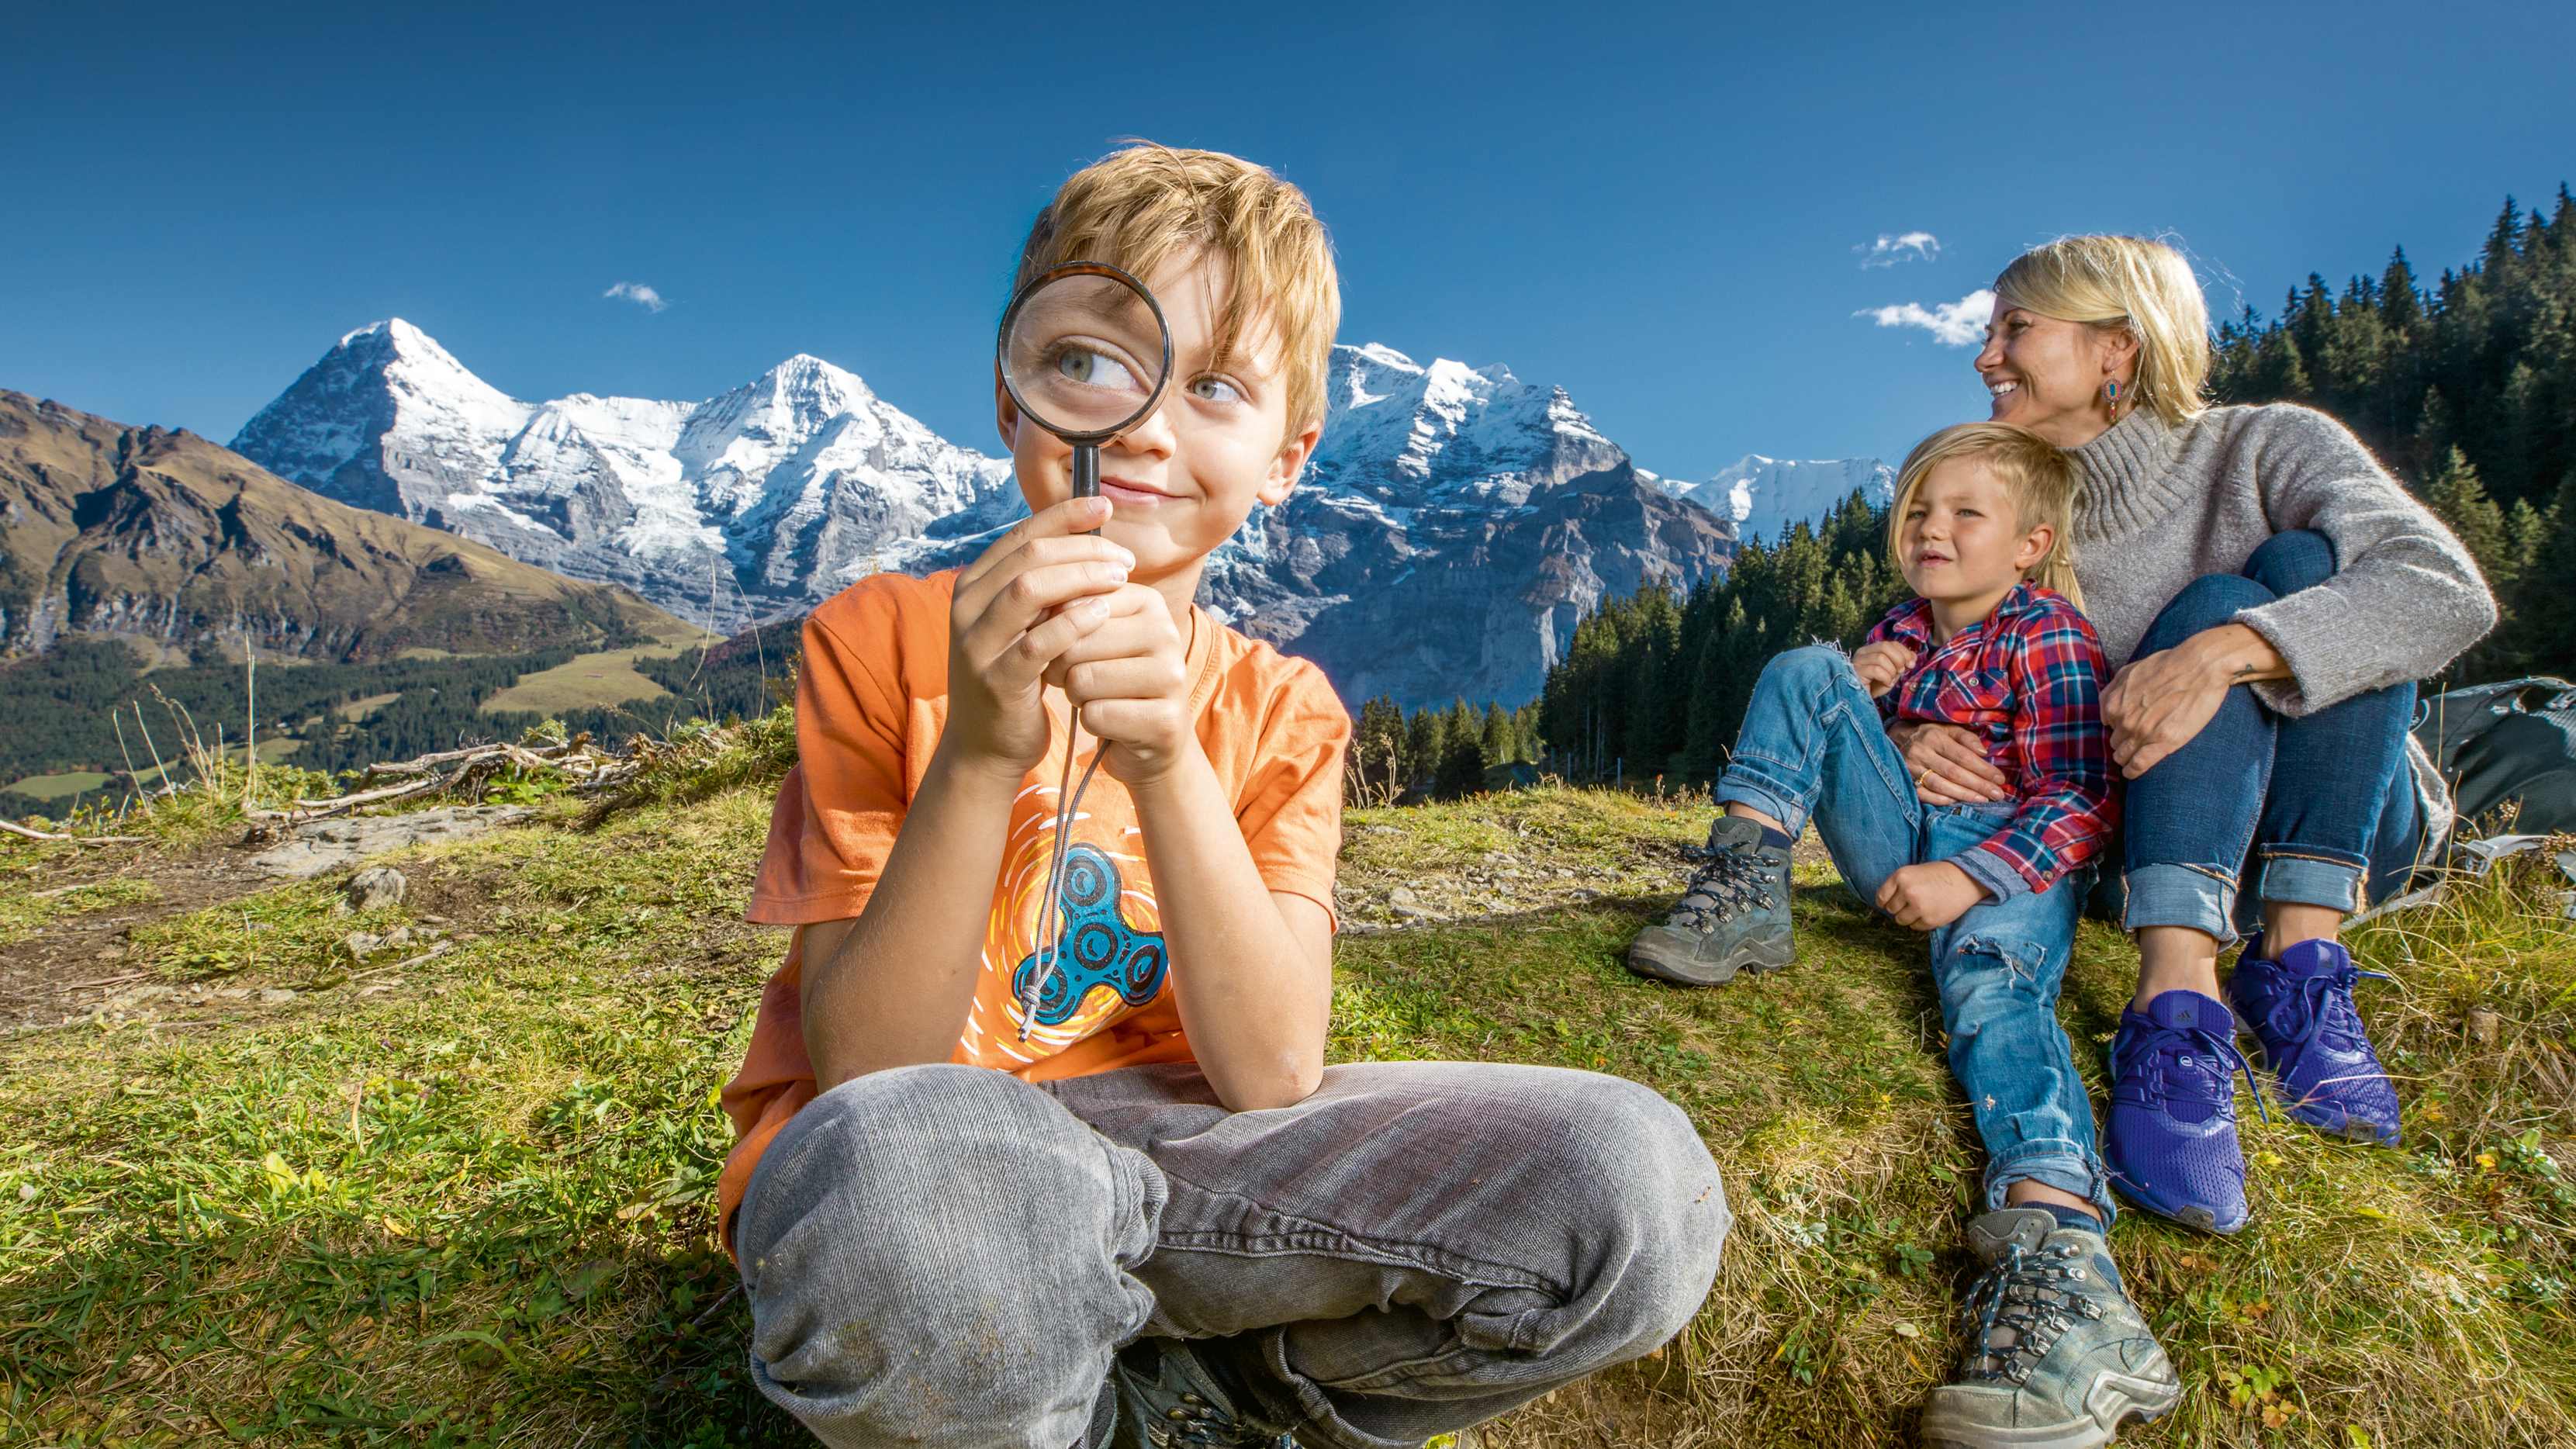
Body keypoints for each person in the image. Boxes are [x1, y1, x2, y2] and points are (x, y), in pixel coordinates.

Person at [716, 143, 1727, 1449]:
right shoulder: (880, 640)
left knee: (1633, 1184)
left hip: (1186, 1165)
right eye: (1089, 361)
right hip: (913, 1170)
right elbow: (872, 1072)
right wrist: (976, 751)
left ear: (1287, 457)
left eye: (1216, 386)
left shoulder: (1284, 713)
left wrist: (1167, 759)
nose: (1141, 423)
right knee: (924, 1195)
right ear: (1012, 394)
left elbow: (1269, 1068)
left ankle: (1207, 1411)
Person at [1893, 235, 2495, 1234]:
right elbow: (1919, 645)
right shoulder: (2020, 511)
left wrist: (2224, 651)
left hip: (2337, 825)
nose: (1985, 357)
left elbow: (2444, 592)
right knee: (2217, 596)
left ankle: (2302, 969)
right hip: (2140, 853)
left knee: (2291, 565)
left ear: (2117, 348)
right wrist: (1914, 725)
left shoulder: (2264, 442)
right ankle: (2177, 1013)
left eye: (2016, 329)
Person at [1628, 423, 2178, 1448]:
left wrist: (1967, 875)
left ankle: (2066, 1260)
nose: (1933, 528)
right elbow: (1847, 735)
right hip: (1900, 853)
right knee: (1804, 665)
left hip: (1999, 857)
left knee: (1992, 990)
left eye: (1967, 513)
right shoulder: (1896, 630)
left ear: (2028, 543)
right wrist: (1877, 709)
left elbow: (2076, 802)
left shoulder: (2046, 632)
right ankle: (1747, 880)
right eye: (1918, 510)